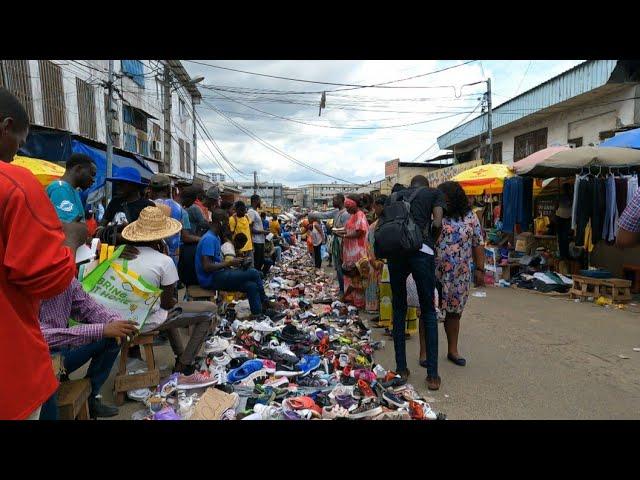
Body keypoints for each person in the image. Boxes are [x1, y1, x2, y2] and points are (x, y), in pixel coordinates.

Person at [0, 87, 84, 420]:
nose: (16, 155)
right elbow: (48, 278)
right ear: (5, 127)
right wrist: (72, 242)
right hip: (10, 368)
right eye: (18, 144)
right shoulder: (15, 185)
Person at [119, 206, 217, 375]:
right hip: (146, 321)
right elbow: (166, 303)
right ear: (161, 237)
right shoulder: (163, 261)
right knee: (209, 311)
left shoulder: (121, 255)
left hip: (123, 320)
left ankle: (181, 356)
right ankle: (185, 363)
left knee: (170, 311)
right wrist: (174, 303)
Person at [39, 279, 139, 419]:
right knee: (46, 396)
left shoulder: (66, 279)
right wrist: (102, 329)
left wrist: (114, 321)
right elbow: (41, 336)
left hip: (64, 353)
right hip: (41, 359)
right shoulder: (25, 288)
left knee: (116, 336)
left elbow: (91, 307)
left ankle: (91, 396)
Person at [385, 175, 444, 390]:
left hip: (396, 253)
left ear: (411, 185)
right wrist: (430, 240)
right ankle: (433, 376)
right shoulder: (434, 194)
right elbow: (437, 221)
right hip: (422, 251)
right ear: (426, 186)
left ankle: (401, 368)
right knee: (428, 310)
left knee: (398, 309)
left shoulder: (396, 195)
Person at [434, 181, 485, 368]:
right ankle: (426, 353)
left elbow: (478, 243)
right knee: (429, 312)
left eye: (445, 198)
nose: (442, 201)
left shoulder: (470, 217)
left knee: (455, 314)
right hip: (436, 273)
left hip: (460, 275)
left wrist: (480, 269)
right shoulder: (436, 214)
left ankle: (452, 350)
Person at [196, 209, 272, 318]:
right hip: (211, 279)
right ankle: (266, 302)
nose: (228, 225)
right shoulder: (209, 239)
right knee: (254, 273)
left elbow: (217, 262)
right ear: (221, 222)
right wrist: (229, 263)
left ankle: (258, 315)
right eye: (226, 223)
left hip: (219, 275)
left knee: (252, 286)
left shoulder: (215, 237)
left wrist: (236, 263)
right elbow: (207, 266)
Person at [148, 174, 200, 265]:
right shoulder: (179, 209)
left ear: (151, 189)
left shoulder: (146, 206)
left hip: (151, 255)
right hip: (172, 257)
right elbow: (185, 236)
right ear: (168, 188)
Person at [310, 193, 351, 298]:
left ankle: (344, 290)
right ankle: (342, 289)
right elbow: (324, 215)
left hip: (343, 243)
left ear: (341, 200)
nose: (332, 202)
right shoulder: (337, 212)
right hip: (337, 242)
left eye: (334, 200)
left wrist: (336, 231)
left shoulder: (346, 214)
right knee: (338, 267)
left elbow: (347, 230)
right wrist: (311, 214)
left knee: (342, 267)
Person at [333, 196, 369, 309]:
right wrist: (338, 231)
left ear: (353, 206)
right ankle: (351, 298)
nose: (347, 210)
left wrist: (343, 236)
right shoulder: (353, 215)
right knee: (350, 274)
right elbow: (348, 228)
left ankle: (358, 301)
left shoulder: (360, 215)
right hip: (350, 251)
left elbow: (360, 232)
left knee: (356, 275)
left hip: (357, 250)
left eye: (348, 208)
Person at [46, 153, 96, 223]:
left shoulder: (72, 190)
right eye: (92, 174)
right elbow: (69, 230)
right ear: (78, 169)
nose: (93, 180)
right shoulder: (60, 189)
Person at [365, 195, 386, 315]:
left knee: (379, 287)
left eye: (375, 207)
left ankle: (380, 313)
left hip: (378, 261)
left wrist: (372, 260)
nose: (374, 210)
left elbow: (370, 244)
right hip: (383, 262)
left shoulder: (375, 226)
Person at [229, 200, 254, 265]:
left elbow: (250, 231)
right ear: (236, 210)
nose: (243, 212)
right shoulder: (232, 219)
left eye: (244, 210)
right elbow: (230, 235)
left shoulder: (247, 217)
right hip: (240, 250)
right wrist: (236, 250)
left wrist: (252, 244)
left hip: (249, 248)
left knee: (251, 268)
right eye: (241, 210)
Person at [247, 194, 267, 272]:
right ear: (255, 201)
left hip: (260, 241)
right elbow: (250, 229)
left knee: (260, 262)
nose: (260, 202)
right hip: (256, 241)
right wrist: (263, 232)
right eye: (259, 200)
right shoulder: (251, 212)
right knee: (257, 263)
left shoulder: (255, 212)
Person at [555, 182, 573, 259]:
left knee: (562, 237)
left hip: (562, 217)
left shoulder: (564, 196)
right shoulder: (570, 197)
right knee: (564, 237)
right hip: (565, 217)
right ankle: (564, 254)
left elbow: (556, 206)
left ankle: (564, 254)